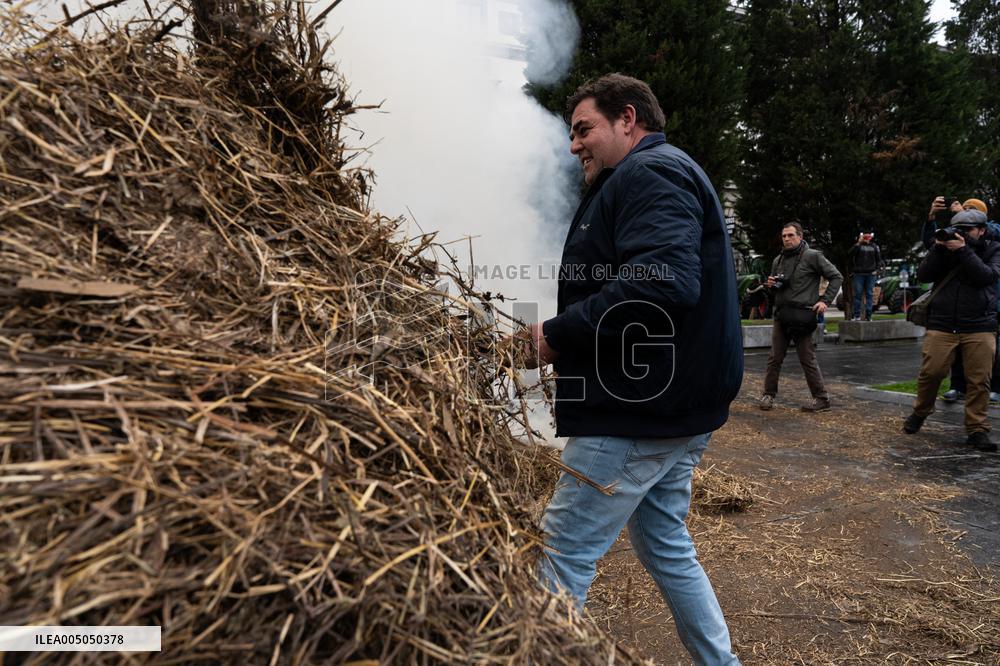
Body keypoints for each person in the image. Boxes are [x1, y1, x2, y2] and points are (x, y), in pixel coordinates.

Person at [519, 73, 742, 665]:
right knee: (665, 542)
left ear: (627, 119)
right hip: (674, 404)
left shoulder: (650, 172)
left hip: (638, 410)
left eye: (583, 128)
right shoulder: (650, 173)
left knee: (561, 552)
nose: (573, 145)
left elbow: (662, 282)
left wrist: (558, 335)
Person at [902, 209, 1000, 452]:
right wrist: (938, 248)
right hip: (943, 323)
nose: (962, 233)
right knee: (931, 372)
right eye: (959, 228)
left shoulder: (993, 249)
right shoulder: (943, 250)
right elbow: (924, 274)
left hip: (979, 324)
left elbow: (986, 277)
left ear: (981, 230)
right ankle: (920, 411)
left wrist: (964, 250)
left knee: (979, 381)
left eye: (968, 229)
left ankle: (977, 429)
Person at [758, 223, 843, 412]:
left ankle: (822, 399)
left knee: (807, 358)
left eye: (790, 235)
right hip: (782, 315)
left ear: (800, 235)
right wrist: (771, 286)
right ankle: (768, 395)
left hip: (803, 316)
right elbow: (776, 289)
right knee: (774, 358)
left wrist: (824, 301)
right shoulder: (778, 260)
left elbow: (836, 276)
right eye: (784, 236)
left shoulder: (812, 256)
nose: (787, 239)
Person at [923, 198, 1000, 403]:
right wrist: (932, 219)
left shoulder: (992, 237)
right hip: (950, 315)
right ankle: (957, 387)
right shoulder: (951, 243)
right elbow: (928, 248)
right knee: (946, 361)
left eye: (971, 210)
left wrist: (963, 243)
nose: (965, 211)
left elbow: (986, 275)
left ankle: (994, 389)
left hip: (987, 307)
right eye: (963, 210)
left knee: (986, 358)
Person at [848, 229, 884, 321]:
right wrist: (858, 243)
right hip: (859, 274)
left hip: (870, 274)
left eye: (868, 236)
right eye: (865, 236)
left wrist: (877, 271)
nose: (867, 238)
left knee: (869, 294)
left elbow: (879, 260)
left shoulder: (874, 247)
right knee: (858, 295)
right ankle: (857, 316)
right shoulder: (858, 246)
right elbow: (850, 254)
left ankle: (869, 316)